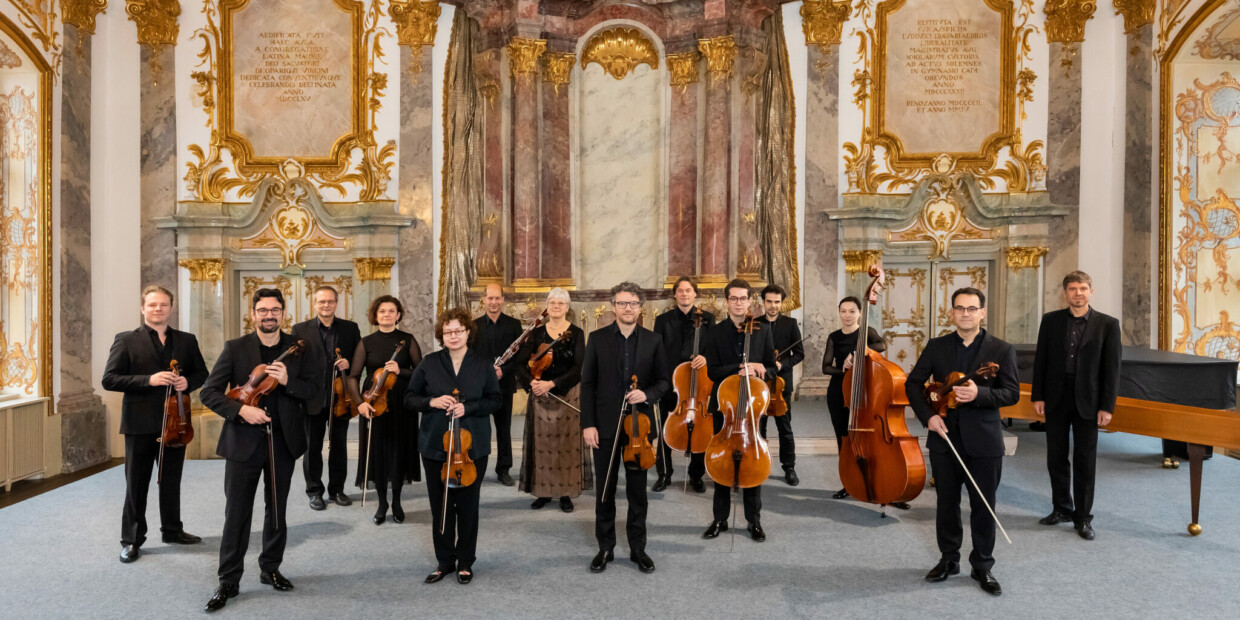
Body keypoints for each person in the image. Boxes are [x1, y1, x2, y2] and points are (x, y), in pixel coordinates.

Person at [201, 288, 320, 612]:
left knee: (276, 508)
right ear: (253, 314)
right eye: (263, 310)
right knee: (236, 513)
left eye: (275, 310)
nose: (269, 315)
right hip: (242, 441)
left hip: (282, 441)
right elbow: (209, 393)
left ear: (283, 313)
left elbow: (314, 390)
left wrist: (287, 383)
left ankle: (270, 568)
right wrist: (241, 411)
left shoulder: (298, 350)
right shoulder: (235, 348)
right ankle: (229, 579)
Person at [906, 287, 1019, 597]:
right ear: (952, 313)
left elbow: (1011, 393)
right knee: (946, 504)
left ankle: (982, 564)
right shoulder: (937, 346)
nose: (965, 313)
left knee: (984, 505)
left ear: (982, 312)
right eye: (960, 308)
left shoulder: (1001, 349)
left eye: (971, 308)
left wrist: (980, 394)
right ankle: (948, 559)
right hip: (944, 437)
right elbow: (913, 383)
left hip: (984, 440)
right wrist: (928, 416)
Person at [102, 285, 209, 564]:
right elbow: (109, 379)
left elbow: (202, 373)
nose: (158, 309)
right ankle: (132, 540)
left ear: (171, 308)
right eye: (152, 305)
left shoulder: (186, 340)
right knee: (136, 483)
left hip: (176, 422)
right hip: (139, 423)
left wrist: (189, 382)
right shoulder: (126, 340)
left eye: (163, 305)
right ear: (142, 308)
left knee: (171, 481)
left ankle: (172, 530)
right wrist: (147, 380)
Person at [405, 307, 501, 585]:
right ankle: (445, 561)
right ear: (441, 335)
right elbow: (410, 398)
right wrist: (432, 402)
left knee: (469, 506)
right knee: (441, 505)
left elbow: (496, 401)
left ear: (468, 333)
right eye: (448, 332)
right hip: (436, 444)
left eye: (458, 330)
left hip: (474, 447)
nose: (453, 335)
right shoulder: (429, 363)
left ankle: (466, 561)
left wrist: (468, 408)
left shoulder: (482, 364)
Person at [581, 282, 670, 574]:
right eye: (622, 303)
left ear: (640, 307)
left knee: (637, 493)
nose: (627, 308)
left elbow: (664, 382)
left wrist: (647, 394)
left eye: (632, 303)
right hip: (604, 425)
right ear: (613, 307)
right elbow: (588, 384)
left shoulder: (653, 340)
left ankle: (637, 549)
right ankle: (605, 547)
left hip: (638, 429)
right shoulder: (596, 338)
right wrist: (588, 425)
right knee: (605, 491)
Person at [1031, 271, 1121, 541]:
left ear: (1091, 291)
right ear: (1065, 292)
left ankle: (1083, 517)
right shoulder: (1050, 321)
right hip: (1056, 398)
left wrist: (1107, 406)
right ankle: (1061, 508)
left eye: (1083, 288)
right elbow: (1041, 361)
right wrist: (1038, 396)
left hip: (1090, 402)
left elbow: (1112, 370)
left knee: (1085, 460)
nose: (1078, 293)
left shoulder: (1108, 324)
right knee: (1056, 458)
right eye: (1072, 288)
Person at [701, 279, 777, 542]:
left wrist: (759, 368)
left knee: (754, 462)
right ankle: (719, 519)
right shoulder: (715, 332)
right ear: (726, 302)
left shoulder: (763, 330)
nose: (738, 302)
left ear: (749, 301)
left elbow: (772, 366)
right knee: (721, 463)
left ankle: (753, 521)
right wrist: (738, 368)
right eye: (733, 298)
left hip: (754, 409)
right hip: (727, 408)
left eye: (743, 298)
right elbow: (712, 370)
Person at [349, 295, 423, 525]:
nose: (387, 315)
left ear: (398, 315)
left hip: (402, 404)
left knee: (399, 452)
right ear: (376, 315)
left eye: (391, 311)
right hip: (373, 404)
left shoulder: (407, 340)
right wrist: (359, 402)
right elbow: (352, 377)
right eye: (382, 311)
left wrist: (401, 371)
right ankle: (382, 503)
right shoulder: (366, 342)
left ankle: (398, 502)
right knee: (377, 454)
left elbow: (421, 372)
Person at [515, 288, 591, 512]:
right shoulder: (536, 333)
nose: (556, 306)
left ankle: (565, 493)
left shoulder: (576, 333)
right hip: (540, 395)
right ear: (547, 307)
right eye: (552, 303)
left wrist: (552, 384)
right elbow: (520, 363)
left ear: (567, 307)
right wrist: (532, 383)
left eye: (560, 303)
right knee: (543, 445)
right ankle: (544, 492)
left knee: (566, 445)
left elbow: (579, 368)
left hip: (566, 393)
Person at [291, 285, 362, 510]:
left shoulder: (351, 328)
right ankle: (314, 491)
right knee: (312, 447)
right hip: (312, 397)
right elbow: (295, 364)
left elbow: (359, 359)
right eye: (321, 301)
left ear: (336, 303)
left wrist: (349, 362)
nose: (326, 305)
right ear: (314, 303)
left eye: (330, 301)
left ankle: (337, 489)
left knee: (338, 445)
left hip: (341, 397)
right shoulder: (299, 329)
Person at [652, 276, 715, 493]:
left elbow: (713, 350)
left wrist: (705, 357)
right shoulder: (663, 320)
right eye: (680, 291)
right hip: (670, 383)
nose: (685, 294)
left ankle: (696, 475)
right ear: (675, 294)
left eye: (688, 290)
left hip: (697, 385)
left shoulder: (708, 319)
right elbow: (656, 352)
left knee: (700, 429)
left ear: (695, 293)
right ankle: (664, 474)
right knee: (664, 431)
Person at [821, 296, 887, 499]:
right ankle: (848, 483)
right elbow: (825, 367)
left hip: (864, 392)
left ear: (860, 313)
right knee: (844, 438)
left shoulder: (867, 332)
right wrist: (845, 371)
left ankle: (874, 480)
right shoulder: (834, 336)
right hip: (839, 392)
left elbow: (881, 345)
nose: (847, 315)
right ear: (839, 312)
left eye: (852, 311)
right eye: (843, 311)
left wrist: (855, 352)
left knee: (867, 437)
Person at [473, 283, 524, 486]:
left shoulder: (514, 325)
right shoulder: (474, 326)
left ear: (503, 300)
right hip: (482, 386)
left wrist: (504, 370)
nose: (493, 302)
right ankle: (477, 468)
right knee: (480, 429)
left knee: (504, 429)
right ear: (483, 300)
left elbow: (519, 356)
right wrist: (487, 371)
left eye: (497, 298)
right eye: (490, 298)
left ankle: (503, 470)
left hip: (504, 384)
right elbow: (471, 356)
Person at [757, 284, 805, 486]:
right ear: (763, 302)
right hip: (759, 383)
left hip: (781, 384)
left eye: (777, 302)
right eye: (769, 301)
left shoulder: (791, 324)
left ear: (782, 303)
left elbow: (800, 354)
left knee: (784, 428)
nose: (773, 306)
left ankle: (789, 467)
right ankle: (759, 463)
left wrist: (782, 364)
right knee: (759, 428)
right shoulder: (755, 324)